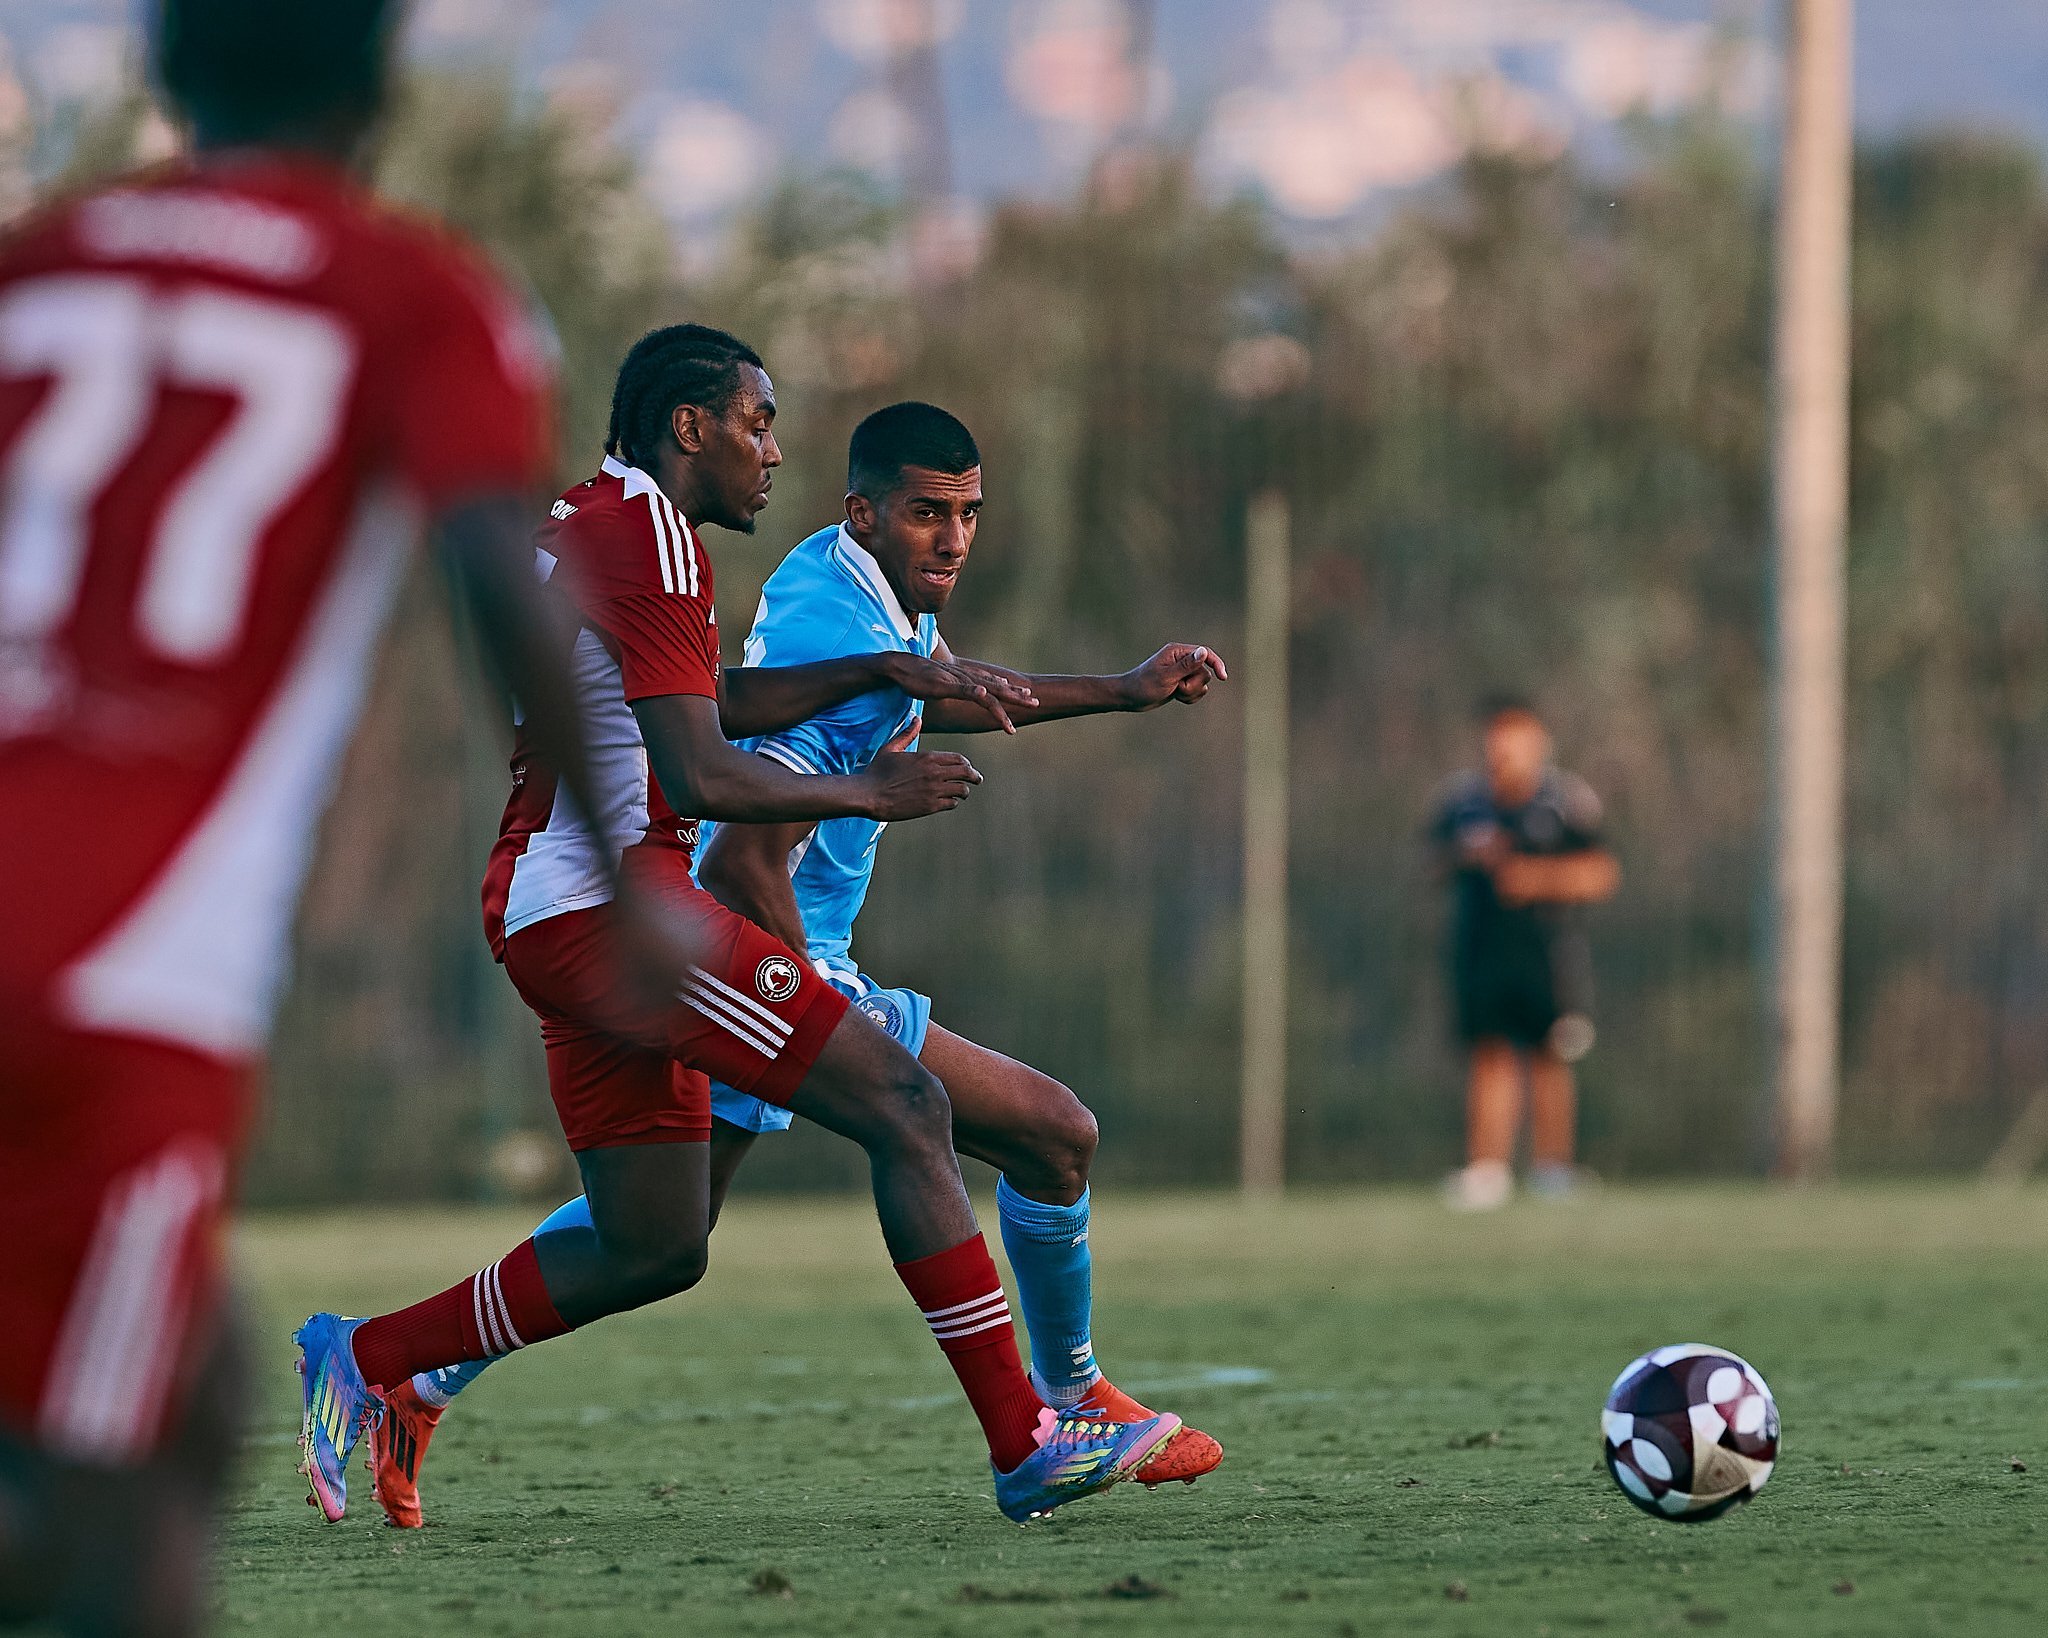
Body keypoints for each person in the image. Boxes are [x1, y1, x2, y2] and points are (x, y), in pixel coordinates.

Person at [0, 3, 714, 1631]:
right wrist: (627, 880)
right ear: (384, 81)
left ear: (163, 69)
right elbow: (494, 569)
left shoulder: (39, 263)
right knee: (96, 1508)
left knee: (194, 1383)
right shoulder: (415, 293)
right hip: (113, 968)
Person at [293, 334, 1183, 1532]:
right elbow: (699, 773)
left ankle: (367, 1356)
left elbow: (698, 698)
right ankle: (1028, 1440)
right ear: (689, 428)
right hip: (619, 913)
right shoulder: (654, 538)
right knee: (902, 1105)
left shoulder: (601, 517)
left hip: (557, 906)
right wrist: (867, 791)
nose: (772, 452)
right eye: (756, 424)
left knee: (654, 1241)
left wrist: (885, 671)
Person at [1430, 698, 1619, 1211]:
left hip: (1548, 954)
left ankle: (1553, 1168)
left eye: (1514, 737)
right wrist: (1467, 855)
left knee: (1550, 1055)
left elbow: (1601, 872)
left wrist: (1535, 879)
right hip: (1481, 950)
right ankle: (1487, 1169)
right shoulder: (1463, 802)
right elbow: (1431, 861)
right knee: (1489, 1055)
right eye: (1496, 737)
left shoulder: (1566, 802)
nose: (1503, 749)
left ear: (1538, 743)